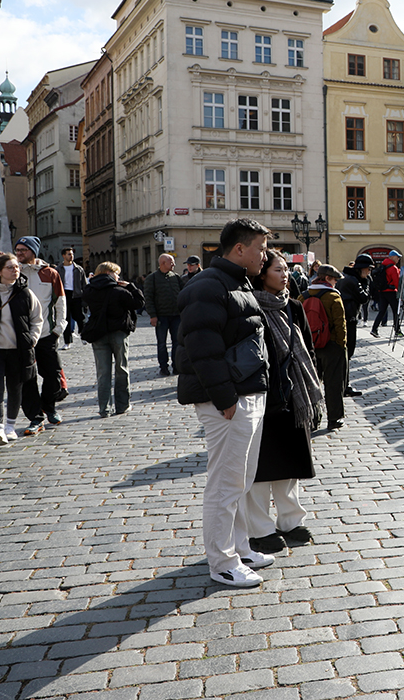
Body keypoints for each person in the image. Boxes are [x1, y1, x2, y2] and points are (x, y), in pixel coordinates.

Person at [175, 218, 273, 588]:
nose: (264, 256)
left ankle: (239, 547)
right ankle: (222, 562)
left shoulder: (236, 281)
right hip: (229, 401)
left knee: (242, 480)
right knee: (225, 484)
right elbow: (201, 349)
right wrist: (225, 398)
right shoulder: (209, 285)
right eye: (261, 249)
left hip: (246, 394)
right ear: (239, 249)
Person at [245, 250, 324, 555]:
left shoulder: (293, 306)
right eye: (278, 270)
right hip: (264, 395)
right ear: (262, 274)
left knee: (290, 463)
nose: (285, 274)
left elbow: (308, 348)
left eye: (286, 270)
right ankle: (260, 528)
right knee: (261, 467)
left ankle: (290, 521)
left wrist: (311, 384)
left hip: (294, 395)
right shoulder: (250, 306)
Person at [14, 237, 66, 434]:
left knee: (53, 376)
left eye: (24, 250)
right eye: (17, 249)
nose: (19, 253)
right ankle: (35, 418)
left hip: (46, 334)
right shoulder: (13, 273)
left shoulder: (50, 273)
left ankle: (49, 406)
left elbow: (60, 302)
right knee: (28, 379)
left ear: (33, 252)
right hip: (22, 336)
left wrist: (58, 328)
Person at [0, 252, 41, 445]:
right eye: (10, 268)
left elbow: (37, 318)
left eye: (17, 267)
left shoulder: (24, 292)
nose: (15, 270)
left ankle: (10, 426)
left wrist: (32, 339)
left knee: (15, 388)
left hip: (18, 349)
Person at [82, 261, 145, 417]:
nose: (118, 276)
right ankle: (122, 405)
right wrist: (130, 286)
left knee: (103, 373)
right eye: (117, 273)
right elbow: (139, 302)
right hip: (118, 333)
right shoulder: (119, 291)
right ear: (109, 273)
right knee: (121, 369)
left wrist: (92, 281)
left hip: (98, 334)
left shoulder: (90, 290)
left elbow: (83, 299)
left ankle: (104, 409)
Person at [304, 264, 347, 430]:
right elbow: (340, 324)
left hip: (311, 346)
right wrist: (341, 346)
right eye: (335, 280)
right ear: (327, 279)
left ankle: (314, 419)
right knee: (334, 384)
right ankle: (334, 418)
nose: (336, 283)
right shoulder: (333, 297)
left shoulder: (304, 296)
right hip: (331, 347)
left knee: (312, 384)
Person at [337, 254, 374, 396]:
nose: (369, 272)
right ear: (362, 269)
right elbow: (364, 298)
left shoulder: (347, 276)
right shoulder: (353, 280)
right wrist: (367, 283)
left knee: (345, 353)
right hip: (349, 319)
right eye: (368, 269)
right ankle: (344, 386)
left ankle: (343, 385)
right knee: (347, 353)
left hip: (345, 317)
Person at [144, 253, 184, 377]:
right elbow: (149, 298)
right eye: (171, 262)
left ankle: (176, 366)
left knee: (177, 342)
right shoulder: (152, 278)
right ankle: (163, 367)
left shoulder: (176, 277)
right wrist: (153, 315)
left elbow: (182, 294)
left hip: (176, 315)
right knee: (162, 343)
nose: (174, 264)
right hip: (161, 316)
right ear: (162, 263)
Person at [58, 247, 87, 350]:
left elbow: (84, 284)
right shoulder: (59, 269)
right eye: (69, 254)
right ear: (64, 256)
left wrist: (85, 299)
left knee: (79, 317)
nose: (71, 256)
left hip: (77, 295)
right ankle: (67, 341)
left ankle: (83, 336)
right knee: (66, 320)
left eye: (72, 254)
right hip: (64, 295)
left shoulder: (78, 269)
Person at [370, 250, 402, 338]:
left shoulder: (383, 266)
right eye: (397, 257)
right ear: (392, 257)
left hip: (382, 292)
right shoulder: (393, 268)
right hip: (391, 292)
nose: (398, 259)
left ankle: (374, 329)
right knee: (396, 311)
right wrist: (401, 293)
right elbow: (397, 282)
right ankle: (397, 330)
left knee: (382, 311)